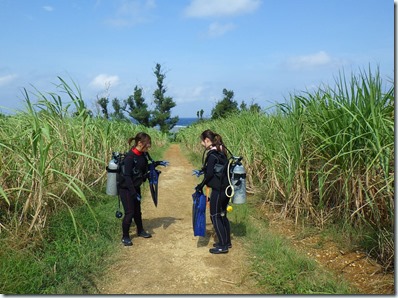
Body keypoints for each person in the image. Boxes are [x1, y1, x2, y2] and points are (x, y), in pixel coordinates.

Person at [196, 129, 232, 254]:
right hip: (227, 190)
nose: (202, 144)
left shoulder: (211, 155)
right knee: (222, 215)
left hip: (218, 190)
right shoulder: (221, 152)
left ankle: (222, 246)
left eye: (202, 141)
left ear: (207, 140)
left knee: (214, 216)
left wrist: (200, 185)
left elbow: (210, 174)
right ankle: (226, 241)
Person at [118, 132, 153, 246]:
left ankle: (140, 230)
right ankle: (125, 237)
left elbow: (144, 168)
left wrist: (156, 164)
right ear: (140, 143)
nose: (149, 146)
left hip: (135, 187)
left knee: (137, 211)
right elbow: (127, 177)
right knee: (130, 212)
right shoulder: (129, 158)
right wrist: (133, 193)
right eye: (148, 143)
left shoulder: (142, 155)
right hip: (126, 189)